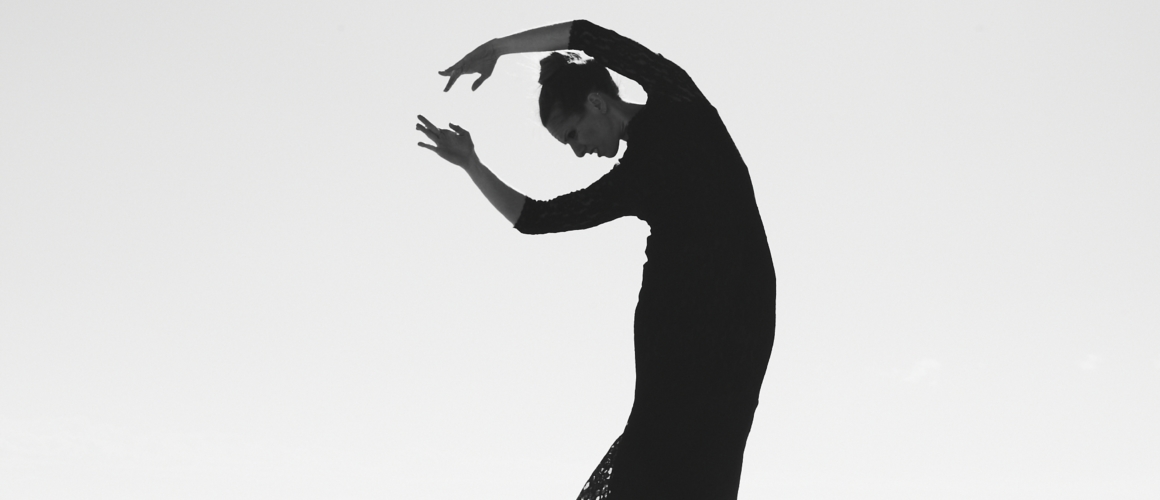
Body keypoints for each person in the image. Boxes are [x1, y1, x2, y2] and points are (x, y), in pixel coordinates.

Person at [415, 20, 775, 500]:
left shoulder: (679, 99)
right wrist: (471, 165)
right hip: (677, 330)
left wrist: (501, 47)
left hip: (743, 316)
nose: (579, 150)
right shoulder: (632, 178)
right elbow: (536, 218)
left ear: (598, 102)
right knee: (659, 460)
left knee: (713, 453)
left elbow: (587, 34)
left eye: (572, 134)